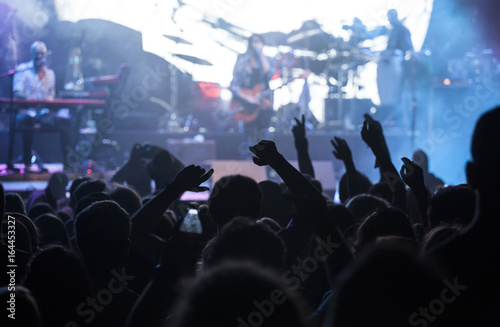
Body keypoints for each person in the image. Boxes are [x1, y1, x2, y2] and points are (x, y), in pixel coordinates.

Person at [13, 41, 73, 170]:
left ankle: (68, 164)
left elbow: (51, 94)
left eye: (42, 53)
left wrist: (48, 101)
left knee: (64, 123)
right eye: (37, 53)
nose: (39, 56)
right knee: (27, 121)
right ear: (32, 54)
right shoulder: (23, 70)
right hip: (26, 111)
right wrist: (29, 99)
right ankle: (27, 162)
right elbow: (17, 92)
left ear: (46, 55)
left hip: (43, 113)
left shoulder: (50, 74)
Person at [230, 34, 276, 155]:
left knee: (264, 137)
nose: (256, 44)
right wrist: (247, 97)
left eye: (259, 41)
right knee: (249, 139)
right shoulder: (242, 61)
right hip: (247, 105)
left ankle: (264, 165)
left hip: (264, 103)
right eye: (254, 41)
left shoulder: (267, 60)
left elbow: (269, 74)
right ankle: (248, 164)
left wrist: (260, 54)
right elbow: (234, 84)